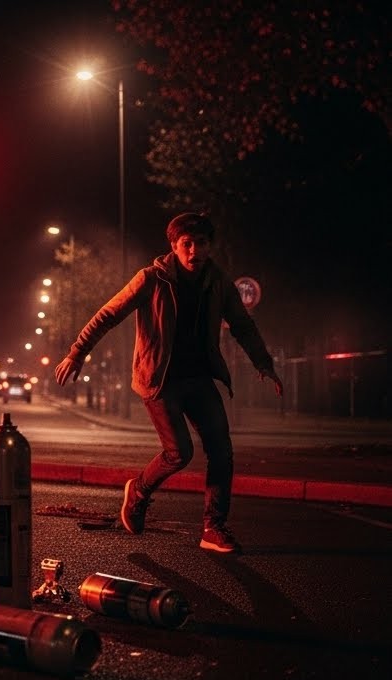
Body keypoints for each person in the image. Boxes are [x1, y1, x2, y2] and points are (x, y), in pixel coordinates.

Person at [53, 212, 283, 554]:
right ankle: (140, 491)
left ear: (209, 246)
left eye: (200, 243)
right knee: (180, 453)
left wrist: (263, 363)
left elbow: (242, 325)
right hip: (159, 381)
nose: (194, 251)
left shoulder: (218, 281)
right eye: (186, 244)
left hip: (199, 378)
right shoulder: (151, 279)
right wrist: (77, 352)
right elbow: (109, 314)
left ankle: (213, 527)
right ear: (174, 247)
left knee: (221, 450)